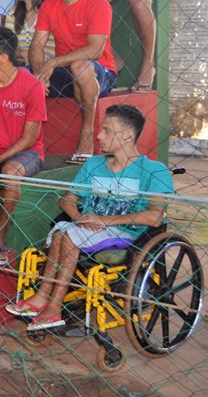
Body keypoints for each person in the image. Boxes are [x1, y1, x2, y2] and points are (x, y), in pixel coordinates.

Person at [11, 105, 174, 332]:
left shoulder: (154, 171)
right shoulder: (94, 164)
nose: (98, 135)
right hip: (88, 229)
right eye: (100, 129)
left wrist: (104, 220)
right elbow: (67, 200)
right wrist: (81, 219)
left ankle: (52, 305)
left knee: (67, 236)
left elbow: (155, 217)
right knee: (61, 233)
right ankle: (43, 299)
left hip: (129, 234)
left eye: (107, 130)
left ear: (128, 135)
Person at [30, 0, 117, 163]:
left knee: (81, 66)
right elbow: (36, 46)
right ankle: (27, 146)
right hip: (66, 72)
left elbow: (96, 50)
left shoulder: (98, 4)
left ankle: (87, 133)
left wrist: (53, 63)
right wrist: (39, 72)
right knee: (22, 75)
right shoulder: (50, 5)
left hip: (100, 71)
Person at [0, 27, 47, 264]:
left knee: (9, 172)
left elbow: (29, 138)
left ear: (3, 57)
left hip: (28, 151)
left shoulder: (32, 85)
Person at [3, 0, 54, 68]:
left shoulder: (51, 12)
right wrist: (23, 53)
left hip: (50, 66)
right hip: (21, 66)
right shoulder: (11, 15)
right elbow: (8, 49)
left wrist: (29, 55)